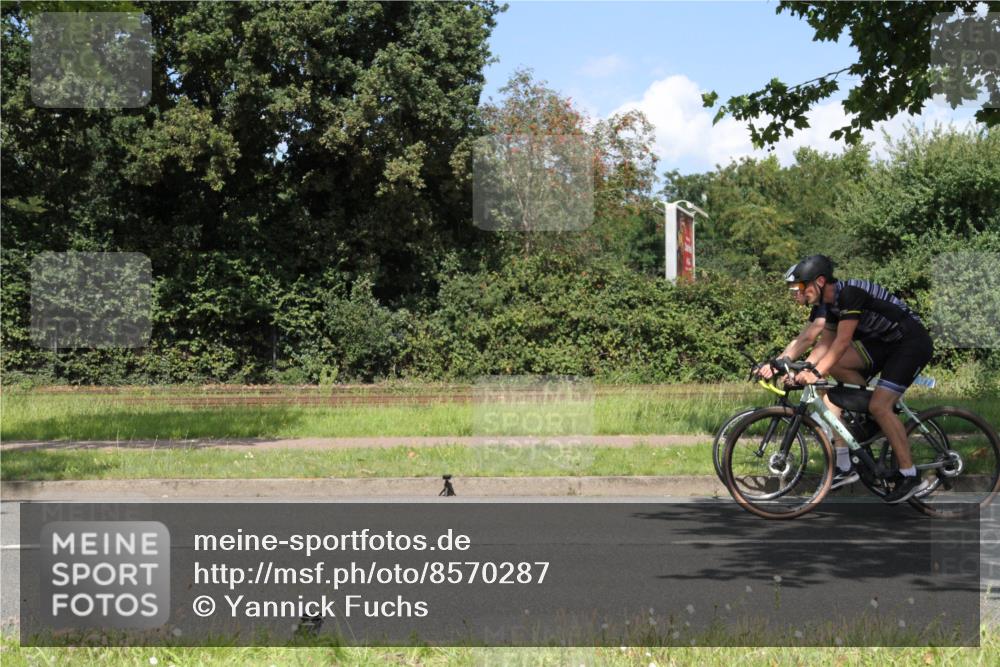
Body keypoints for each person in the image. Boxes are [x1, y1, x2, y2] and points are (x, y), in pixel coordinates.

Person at [779, 255, 934, 503]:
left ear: (819, 282)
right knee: (837, 366)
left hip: (910, 343)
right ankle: (869, 419)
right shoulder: (831, 304)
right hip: (885, 344)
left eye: (800, 287)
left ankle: (910, 475)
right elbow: (825, 344)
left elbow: (841, 343)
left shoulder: (850, 294)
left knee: (880, 404)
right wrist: (803, 370)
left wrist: (816, 373)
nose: (797, 293)